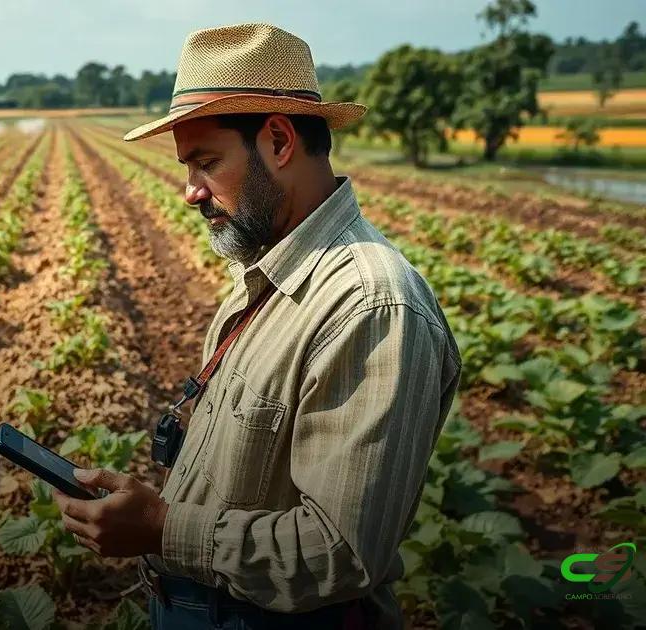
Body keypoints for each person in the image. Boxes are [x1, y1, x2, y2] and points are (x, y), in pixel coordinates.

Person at [51, 22, 462, 629]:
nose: (189, 193)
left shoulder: (372, 307)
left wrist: (164, 527)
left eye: (205, 162)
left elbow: (341, 554)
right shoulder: (262, 276)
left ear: (278, 140)